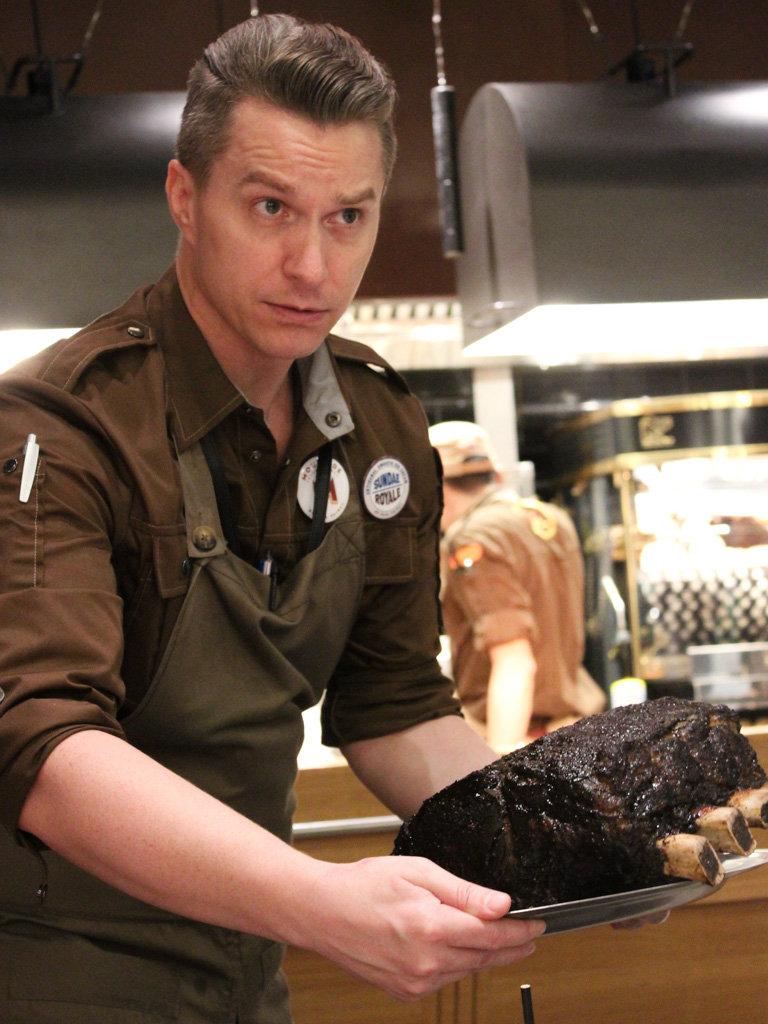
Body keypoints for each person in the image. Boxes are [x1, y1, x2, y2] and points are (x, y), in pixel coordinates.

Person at [0, 15, 545, 1024]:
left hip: (247, 978)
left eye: (349, 216)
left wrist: (563, 848)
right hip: (54, 975)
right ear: (185, 199)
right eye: (271, 207)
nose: (314, 265)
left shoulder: (378, 424)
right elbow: (42, 745)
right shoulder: (65, 423)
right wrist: (322, 902)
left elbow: (395, 705)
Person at [429, 420, 606, 752]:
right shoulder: (550, 518)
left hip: (520, 738)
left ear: (434, 486)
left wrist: (501, 768)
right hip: (573, 732)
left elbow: (515, 661)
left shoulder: (472, 537)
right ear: (494, 476)